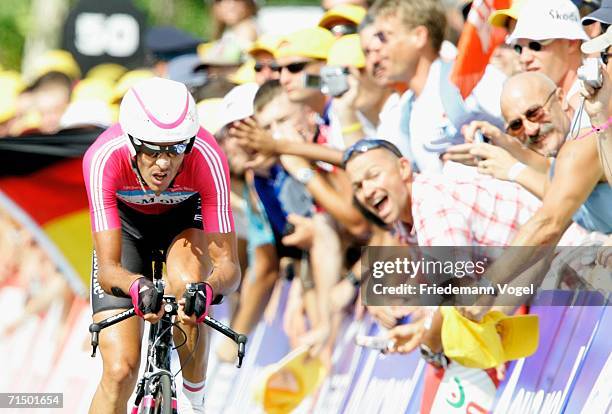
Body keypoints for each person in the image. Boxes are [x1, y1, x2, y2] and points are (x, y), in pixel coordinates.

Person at [83, 77, 240, 414]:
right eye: (152, 149)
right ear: (130, 142)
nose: (165, 162)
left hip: (183, 222)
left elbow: (229, 267)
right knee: (119, 370)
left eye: (176, 148)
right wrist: (136, 285)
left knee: (188, 285)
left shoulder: (208, 157)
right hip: (127, 230)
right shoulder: (103, 157)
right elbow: (110, 269)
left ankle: (195, 397)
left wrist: (208, 290)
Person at [368, 0, 505, 173]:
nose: (374, 48)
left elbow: (527, 132)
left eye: (383, 37)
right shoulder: (403, 111)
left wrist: (492, 147)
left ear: (419, 36)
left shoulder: (470, 78)